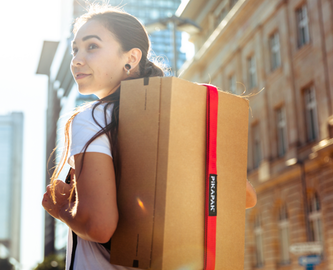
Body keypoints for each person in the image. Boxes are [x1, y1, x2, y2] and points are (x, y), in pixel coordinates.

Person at [42, 4, 258, 270]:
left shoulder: (93, 119)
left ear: (131, 57)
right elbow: (245, 197)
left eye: (92, 46)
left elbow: (99, 227)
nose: (76, 59)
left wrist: (60, 208)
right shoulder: (177, 117)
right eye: (75, 49)